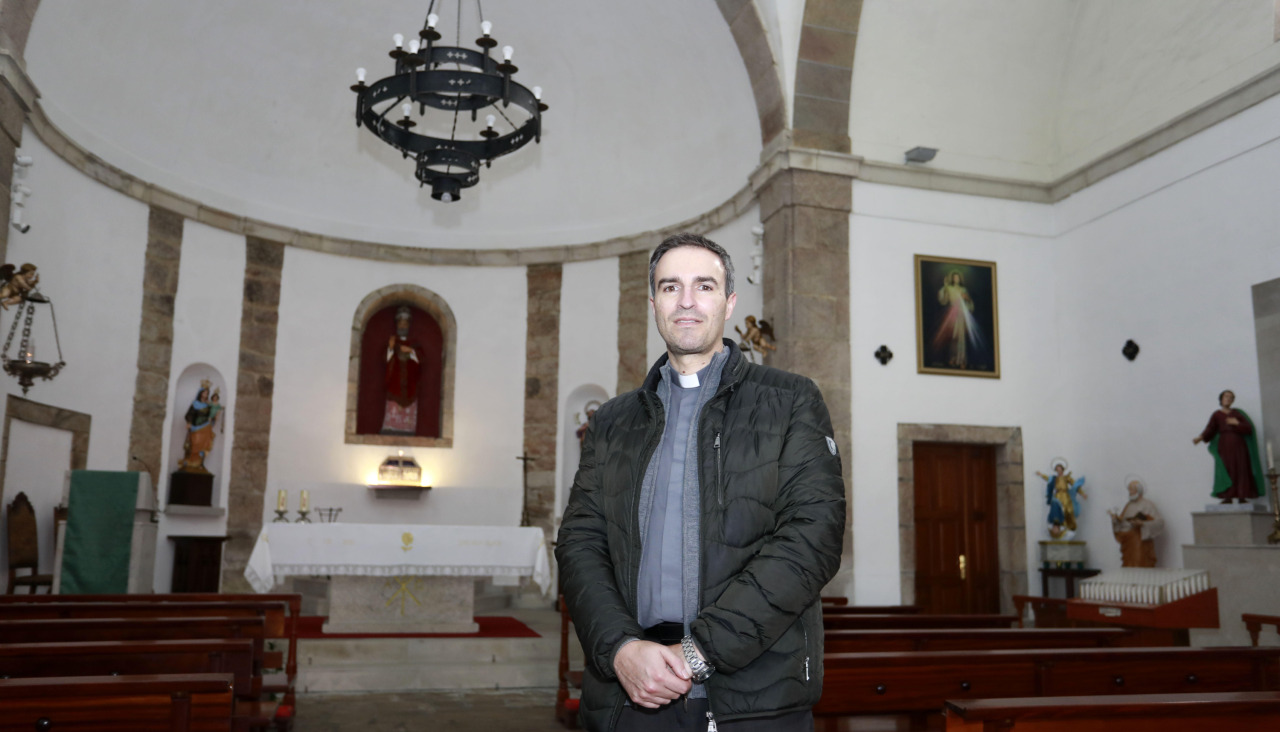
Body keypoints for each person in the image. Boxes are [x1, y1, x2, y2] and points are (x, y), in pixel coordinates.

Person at [556, 233, 846, 732]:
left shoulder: (791, 400)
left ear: (729, 302)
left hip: (753, 697)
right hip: (630, 693)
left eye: (704, 286)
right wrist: (620, 649)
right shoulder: (613, 421)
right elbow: (580, 542)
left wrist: (700, 652)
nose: (686, 301)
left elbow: (812, 537)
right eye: (670, 287)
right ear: (653, 304)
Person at [1192, 389, 1266, 503]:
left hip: (1239, 445)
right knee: (1226, 468)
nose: (1228, 399)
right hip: (1225, 445)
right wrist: (1200, 437)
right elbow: (1210, 429)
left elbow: (1249, 428)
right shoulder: (1217, 415)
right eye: (1226, 396)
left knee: (1241, 468)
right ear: (1221, 399)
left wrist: (1237, 423)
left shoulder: (1237, 414)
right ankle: (1227, 496)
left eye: (1231, 397)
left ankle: (1242, 495)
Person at [382, 306, 423, 434]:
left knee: (409, 410)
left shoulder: (414, 343)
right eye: (401, 323)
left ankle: (408, 430)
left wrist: (411, 351)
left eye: (405, 323)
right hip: (395, 383)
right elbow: (386, 359)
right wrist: (391, 347)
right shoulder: (393, 342)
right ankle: (390, 429)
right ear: (397, 324)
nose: (403, 326)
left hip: (410, 384)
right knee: (393, 407)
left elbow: (421, 359)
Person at [1108, 479, 1164, 567]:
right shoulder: (1128, 505)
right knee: (1128, 566)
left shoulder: (1147, 505)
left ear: (1138, 491)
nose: (1129, 492)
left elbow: (1160, 523)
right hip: (1128, 543)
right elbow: (1122, 522)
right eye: (1129, 490)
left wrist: (1142, 524)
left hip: (1140, 542)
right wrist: (1115, 520)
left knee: (1139, 564)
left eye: (1131, 490)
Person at [932, 270, 981, 369]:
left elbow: (969, 305)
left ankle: (962, 360)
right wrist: (945, 286)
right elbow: (943, 300)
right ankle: (953, 358)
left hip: (961, 314)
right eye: (954, 277)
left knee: (961, 338)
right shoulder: (949, 288)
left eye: (957, 277)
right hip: (952, 314)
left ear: (960, 279)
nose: (956, 279)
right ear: (952, 279)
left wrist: (968, 300)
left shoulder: (963, 290)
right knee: (953, 337)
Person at [1035, 461, 1087, 540]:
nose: (1058, 470)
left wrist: (1082, 493)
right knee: (1058, 511)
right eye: (1057, 469)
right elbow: (1047, 478)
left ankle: (1069, 527)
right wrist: (1041, 475)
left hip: (1066, 496)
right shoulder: (1054, 478)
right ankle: (1060, 527)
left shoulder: (1067, 477)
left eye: (1059, 469)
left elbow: (1075, 485)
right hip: (1058, 496)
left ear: (1062, 469)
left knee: (1068, 511)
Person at [179, 381, 219, 472]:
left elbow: (211, 415)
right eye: (204, 392)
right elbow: (189, 414)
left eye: (207, 393)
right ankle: (190, 462)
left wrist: (214, 417)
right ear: (200, 393)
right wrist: (189, 422)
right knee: (195, 443)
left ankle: (200, 463)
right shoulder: (195, 403)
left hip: (206, 427)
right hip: (196, 427)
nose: (206, 394)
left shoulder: (208, 405)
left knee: (204, 445)